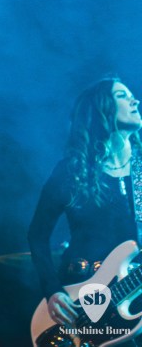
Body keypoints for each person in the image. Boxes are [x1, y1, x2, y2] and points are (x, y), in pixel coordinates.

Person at [28, 77, 141, 332]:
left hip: (135, 294)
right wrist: (53, 291)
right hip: (81, 301)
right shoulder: (72, 172)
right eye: (122, 96)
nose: (135, 100)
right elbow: (37, 235)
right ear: (101, 109)